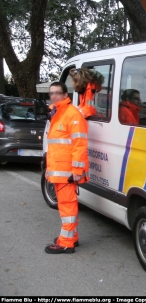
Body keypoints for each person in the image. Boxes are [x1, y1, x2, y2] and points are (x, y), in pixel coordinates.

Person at [44, 82, 89, 254]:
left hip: (68, 173)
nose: (54, 96)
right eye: (51, 93)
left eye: (57, 93)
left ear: (65, 94)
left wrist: (77, 172)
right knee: (66, 206)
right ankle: (72, 237)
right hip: (60, 171)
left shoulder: (72, 114)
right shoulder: (57, 113)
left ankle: (66, 243)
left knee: (67, 207)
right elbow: (56, 146)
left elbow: (80, 145)